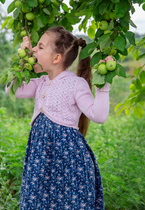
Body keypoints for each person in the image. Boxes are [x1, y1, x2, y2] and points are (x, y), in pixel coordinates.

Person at [6, 26, 110, 210]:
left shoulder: (76, 84)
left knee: (67, 202)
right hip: (40, 161)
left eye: (40, 46)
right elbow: (11, 89)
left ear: (56, 58)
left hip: (68, 162)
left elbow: (99, 116)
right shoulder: (40, 82)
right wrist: (22, 57)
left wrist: (103, 86)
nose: (34, 50)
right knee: (38, 201)